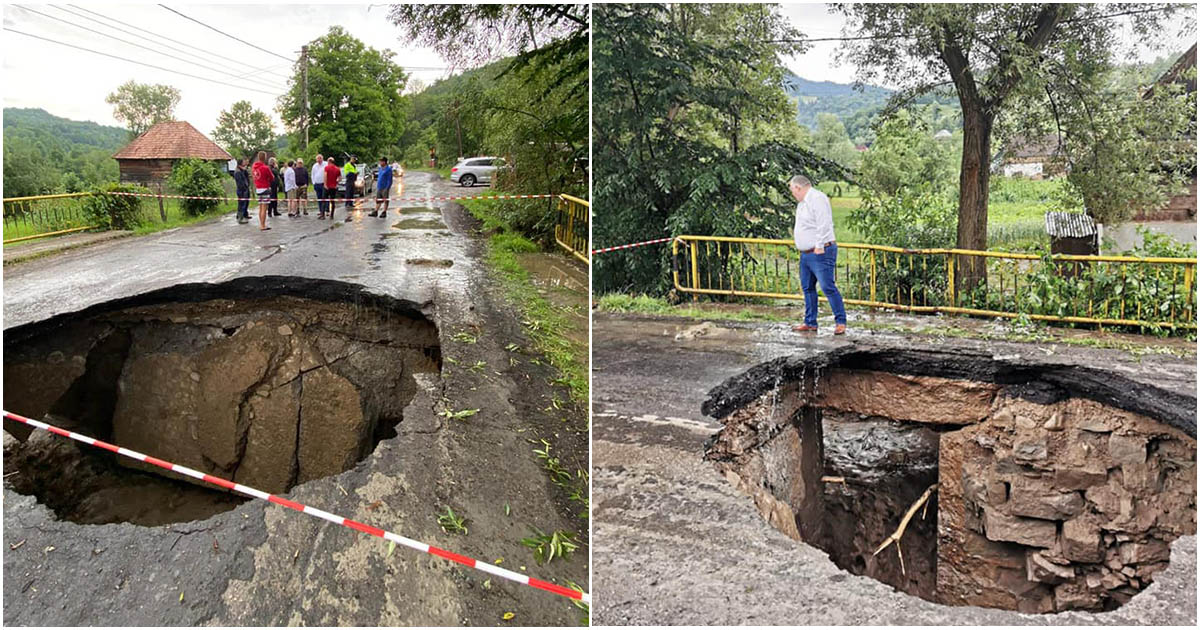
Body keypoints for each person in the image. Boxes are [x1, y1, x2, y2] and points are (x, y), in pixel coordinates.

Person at [790, 175, 846, 335]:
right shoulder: (802, 204)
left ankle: (840, 321)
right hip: (806, 253)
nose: (793, 194)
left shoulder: (817, 198)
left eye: (793, 190)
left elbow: (824, 223)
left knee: (827, 286)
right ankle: (810, 322)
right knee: (808, 287)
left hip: (820, 251)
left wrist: (820, 245)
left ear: (798, 187)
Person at [252, 151, 274, 231]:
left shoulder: (254, 167)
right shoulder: (265, 168)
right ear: (264, 158)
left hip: (258, 188)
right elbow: (272, 177)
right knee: (264, 208)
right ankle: (263, 225)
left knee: (261, 207)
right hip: (264, 188)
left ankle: (261, 224)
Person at [230, 158, 250, 224]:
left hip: (245, 189)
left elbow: (247, 177)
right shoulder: (238, 172)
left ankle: (245, 215)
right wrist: (244, 188)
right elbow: (240, 182)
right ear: (240, 163)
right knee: (242, 204)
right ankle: (240, 218)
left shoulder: (242, 170)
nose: (245, 162)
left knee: (245, 203)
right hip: (242, 190)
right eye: (244, 161)